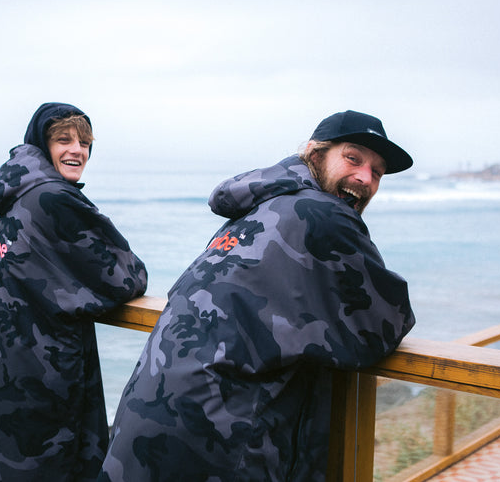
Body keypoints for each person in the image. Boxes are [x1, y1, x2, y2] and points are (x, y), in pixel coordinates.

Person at [99, 110, 415, 481]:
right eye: (353, 158)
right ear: (316, 156)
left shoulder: (255, 209)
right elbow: (383, 324)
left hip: (149, 408)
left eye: (376, 172)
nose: (364, 178)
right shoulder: (322, 214)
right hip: (217, 434)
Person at [0, 102, 148, 482]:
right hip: (43, 369)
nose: (78, 150)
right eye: (64, 139)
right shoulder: (53, 198)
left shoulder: (18, 194)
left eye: (85, 142)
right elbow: (128, 277)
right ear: (42, 144)